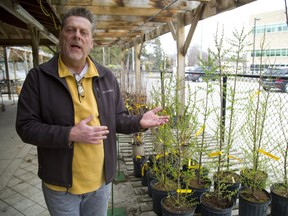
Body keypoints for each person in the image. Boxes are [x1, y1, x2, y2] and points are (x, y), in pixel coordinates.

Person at [15, 7, 169, 216]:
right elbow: (26, 127)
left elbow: (116, 119)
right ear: (61, 37)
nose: (77, 36)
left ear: (91, 43)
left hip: (100, 184)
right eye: (71, 30)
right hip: (61, 187)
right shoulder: (38, 78)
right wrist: (69, 134)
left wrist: (139, 122)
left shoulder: (106, 76)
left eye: (83, 32)